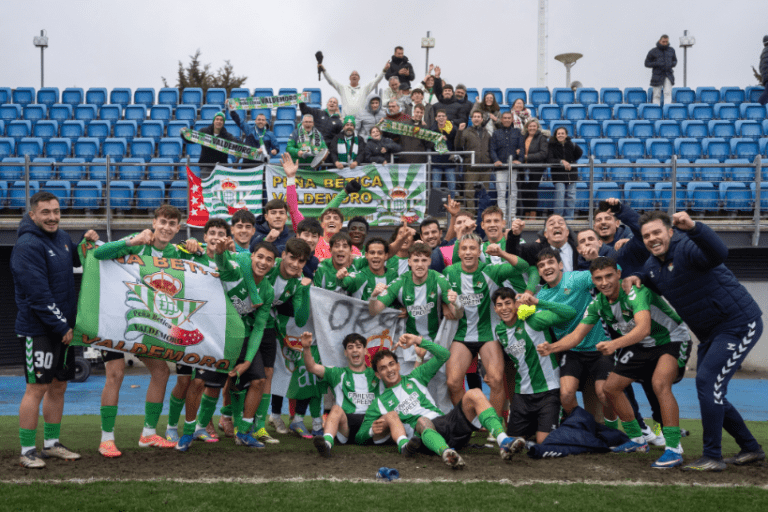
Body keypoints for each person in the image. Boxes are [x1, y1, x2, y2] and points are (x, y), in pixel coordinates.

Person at [624, 211, 764, 471]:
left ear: (670, 232)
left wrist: (695, 228)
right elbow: (653, 280)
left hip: (739, 323)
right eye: (646, 236)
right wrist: (638, 277)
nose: (652, 239)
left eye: (657, 232)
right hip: (711, 332)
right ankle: (751, 448)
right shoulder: (652, 267)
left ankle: (712, 456)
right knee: (711, 389)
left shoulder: (688, 247)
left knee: (707, 382)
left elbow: (719, 253)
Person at [541, 257, 689, 469]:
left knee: (659, 384)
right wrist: (552, 348)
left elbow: (644, 328)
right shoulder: (598, 304)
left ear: (618, 274)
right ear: (592, 280)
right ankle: (637, 441)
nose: (604, 282)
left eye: (609, 276)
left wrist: (614, 345)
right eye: (598, 278)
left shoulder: (636, 293)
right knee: (611, 388)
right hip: (641, 345)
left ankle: (673, 448)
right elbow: (576, 336)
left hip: (670, 339)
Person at [92, 204, 190, 455]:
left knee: (161, 372)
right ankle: (107, 438)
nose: (166, 227)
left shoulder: (175, 252)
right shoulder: (137, 241)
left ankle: (148, 434)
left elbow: (202, 271)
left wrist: (197, 250)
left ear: (178, 228)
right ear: (154, 223)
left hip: (146, 322)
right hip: (115, 318)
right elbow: (99, 254)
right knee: (116, 372)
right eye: (163, 222)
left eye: (172, 224)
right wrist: (133, 240)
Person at [11, 192, 94, 468]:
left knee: (59, 386)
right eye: (45, 212)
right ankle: (27, 451)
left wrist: (86, 242)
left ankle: (51, 444)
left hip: (64, 330)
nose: (52, 217)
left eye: (56, 211)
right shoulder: (27, 245)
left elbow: (76, 260)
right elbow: (38, 295)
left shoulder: (60, 238)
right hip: (40, 330)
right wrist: (61, 325)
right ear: (32, 215)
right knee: (36, 388)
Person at [357, 334, 524, 468]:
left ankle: (503, 441)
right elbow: (359, 437)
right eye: (383, 368)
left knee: (475, 393)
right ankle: (447, 454)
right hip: (424, 439)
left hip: (446, 423)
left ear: (398, 366)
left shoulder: (416, 377)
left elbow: (444, 354)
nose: (389, 370)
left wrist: (418, 340)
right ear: (378, 374)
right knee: (423, 421)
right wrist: (372, 430)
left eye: (391, 364)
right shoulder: (378, 403)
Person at [178, 239, 276, 450]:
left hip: (242, 338)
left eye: (269, 259)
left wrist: (248, 361)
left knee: (259, 380)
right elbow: (222, 265)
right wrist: (221, 253)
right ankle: (189, 432)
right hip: (216, 335)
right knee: (198, 384)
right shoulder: (237, 273)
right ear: (252, 257)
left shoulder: (267, 291)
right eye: (260, 257)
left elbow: (259, 327)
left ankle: (244, 432)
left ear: (273, 264)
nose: (263, 262)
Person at [442, 233, 532, 418]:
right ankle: (469, 423)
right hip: (461, 335)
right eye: (464, 248)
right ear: (459, 252)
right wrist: (444, 304)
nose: (468, 252)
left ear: (479, 250)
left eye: (472, 248)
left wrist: (502, 253)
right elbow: (437, 292)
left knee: (497, 380)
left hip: (488, 334)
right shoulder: (449, 272)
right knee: (452, 382)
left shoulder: (491, 270)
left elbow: (524, 266)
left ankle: (494, 425)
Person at [492, 287, 576, 443]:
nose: (504, 308)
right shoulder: (499, 331)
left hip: (548, 390)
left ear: (516, 304)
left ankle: (564, 424)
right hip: (522, 394)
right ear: (495, 309)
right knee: (513, 442)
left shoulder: (533, 320)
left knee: (543, 442)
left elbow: (570, 312)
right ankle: (535, 425)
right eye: (499, 305)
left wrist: (537, 302)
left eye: (508, 303)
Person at [301, 332, 382, 457]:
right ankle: (326, 444)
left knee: (388, 413)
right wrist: (306, 348)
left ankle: (405, 439)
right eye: (350, 347)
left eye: (359, 346)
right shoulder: (337, 373)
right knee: (336, 409)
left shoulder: (378, 374)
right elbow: (311, 367)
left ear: (365, 351)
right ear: (345, 353)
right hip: (346, 427)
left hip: (371, 425)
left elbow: (398, 379)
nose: (355, 350)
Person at [370, 242, 459, 347]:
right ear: (409, 262)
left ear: (429, 261)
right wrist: (373, 296)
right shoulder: (400, 282)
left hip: (435, 341)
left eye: (424, 260)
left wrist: (456, 303)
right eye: (416, 260)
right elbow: (374, 310)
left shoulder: (439, 280)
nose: (420, 265)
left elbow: (458, 314)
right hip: (408, 343)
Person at [320, 62, 389, 119]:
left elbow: (375, 81)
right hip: (346, 119)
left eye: (356, 75)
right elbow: (331, 81)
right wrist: (324, 71)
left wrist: (384, 70)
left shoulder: (364, 89)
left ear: (359, 78)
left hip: (360, 119)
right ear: (349, 78)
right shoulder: (343, 88)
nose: (354, 76)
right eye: (352, 75)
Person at [455, 111, 491, 210]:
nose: (476, 118)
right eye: (474, 117)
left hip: (485, 167)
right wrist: (459, 131)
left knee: (484, 193)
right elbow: (458, 145)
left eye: (478, 116)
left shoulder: (487, 132)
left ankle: (483, 215)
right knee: (469, 193)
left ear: (482, 119)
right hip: (471, 167)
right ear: (472, 119)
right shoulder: (466, 131)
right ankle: (471, 214)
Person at [490, 111, 523, 218]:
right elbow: (492, 149)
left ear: (512, 119)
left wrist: (520, 160)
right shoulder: (496, 133)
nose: (507, 120)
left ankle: (512, 215)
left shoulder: (517, 132)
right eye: (505, 118)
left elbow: (522, 148)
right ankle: (502, 215)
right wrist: (496, 160)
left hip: (513, 168)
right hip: (500, 168)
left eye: (509, 118)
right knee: (501, 192)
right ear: (501, 120)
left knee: (513, 192)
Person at [547, 126, 582, 220]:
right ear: (556, 135)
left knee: (571, 198)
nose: (560, 135)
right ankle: (557, 219)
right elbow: (550, 159)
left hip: (572, 175)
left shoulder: (571, 144)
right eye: (558, 133)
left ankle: (569, 219)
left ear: (566, 135)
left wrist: (571, 161)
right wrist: (561, 161)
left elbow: (580, 153)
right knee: (560, 198)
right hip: (558, 176)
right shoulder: (551, 145)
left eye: (562, 133)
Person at [519, 118, 549, 219]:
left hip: (536, 169)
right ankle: (526, 212)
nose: (532, 128)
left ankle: (533, 214)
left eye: (534, 126)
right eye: (530, 126)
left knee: (532, 190)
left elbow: (543, 154)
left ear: (537, 127)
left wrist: (527, 157)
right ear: (527, 127)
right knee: (524, 190)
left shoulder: (541, 138)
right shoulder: (523, 137)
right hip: (523, 168)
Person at [430, 110, 459, 197]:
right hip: (436, 162)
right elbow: (428, 144)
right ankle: (436, 207)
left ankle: (452, 206)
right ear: (436, 118)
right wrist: (437, 140)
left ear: (446, 118)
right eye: (439, 116)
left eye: (443, 116)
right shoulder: (431, 130)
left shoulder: (453, 129)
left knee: (452, 187)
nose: (441, 118)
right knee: (435, 187)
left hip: (449, 162)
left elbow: (457, 143)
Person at [645, 35, 677, 105]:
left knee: (668, 93)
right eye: (663, 41)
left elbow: (675, 61)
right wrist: (657, 63)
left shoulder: (671, 50)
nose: (665, 43)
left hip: (668, 74)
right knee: (656, 95)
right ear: (660, 41)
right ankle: (656, 112)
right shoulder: (653, 51)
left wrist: (671, 64)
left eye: (666, 41)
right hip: (657, 75)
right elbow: (647, 63)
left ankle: (667, 110)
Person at [759, 35, 768, 106]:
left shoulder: (763, 53)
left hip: (765, 77)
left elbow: (760, 67)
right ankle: (758, 106)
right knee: (766, 93)